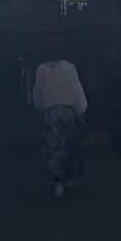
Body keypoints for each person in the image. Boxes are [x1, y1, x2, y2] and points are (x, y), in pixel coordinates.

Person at [32, 40, 88, 198]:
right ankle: (69, 177)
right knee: (71, 144)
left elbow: (38, 92)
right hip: (69, 111)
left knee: (54, 148)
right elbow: (76, 88)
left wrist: (40, 106)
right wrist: (81, 109)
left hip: (51, 112)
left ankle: (57, 181)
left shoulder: (41, 70)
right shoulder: (70, 68)